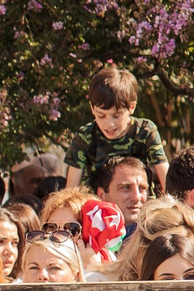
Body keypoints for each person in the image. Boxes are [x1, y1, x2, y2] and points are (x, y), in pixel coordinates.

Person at [62, 64, 169, 196]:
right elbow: (70, 192)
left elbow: (167, 181)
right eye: (101, 115)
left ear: (131, 107)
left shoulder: (145, 132)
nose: (109, 124)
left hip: (140, 204)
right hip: (98, 206)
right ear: (92, 108)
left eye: (117, 115)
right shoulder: (85, 137)